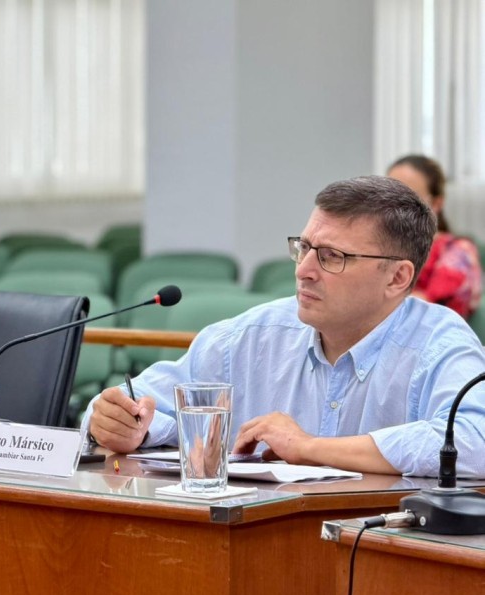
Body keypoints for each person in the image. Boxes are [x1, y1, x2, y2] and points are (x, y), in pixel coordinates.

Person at [85, 176, 485, 477]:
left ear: (397, 278)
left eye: (332, 256)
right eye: (304, 247)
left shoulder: (438, 343)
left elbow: (475, 442)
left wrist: (312, 448)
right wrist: (126, 423)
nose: (304, 271)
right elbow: (142, 401)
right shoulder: (251, 336)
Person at [387, 154, 482, 319]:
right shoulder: (376, 247)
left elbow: (427, 310)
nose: (395, 206)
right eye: (388, 195)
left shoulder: (458, 251)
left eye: (407, 198)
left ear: (436, 204)